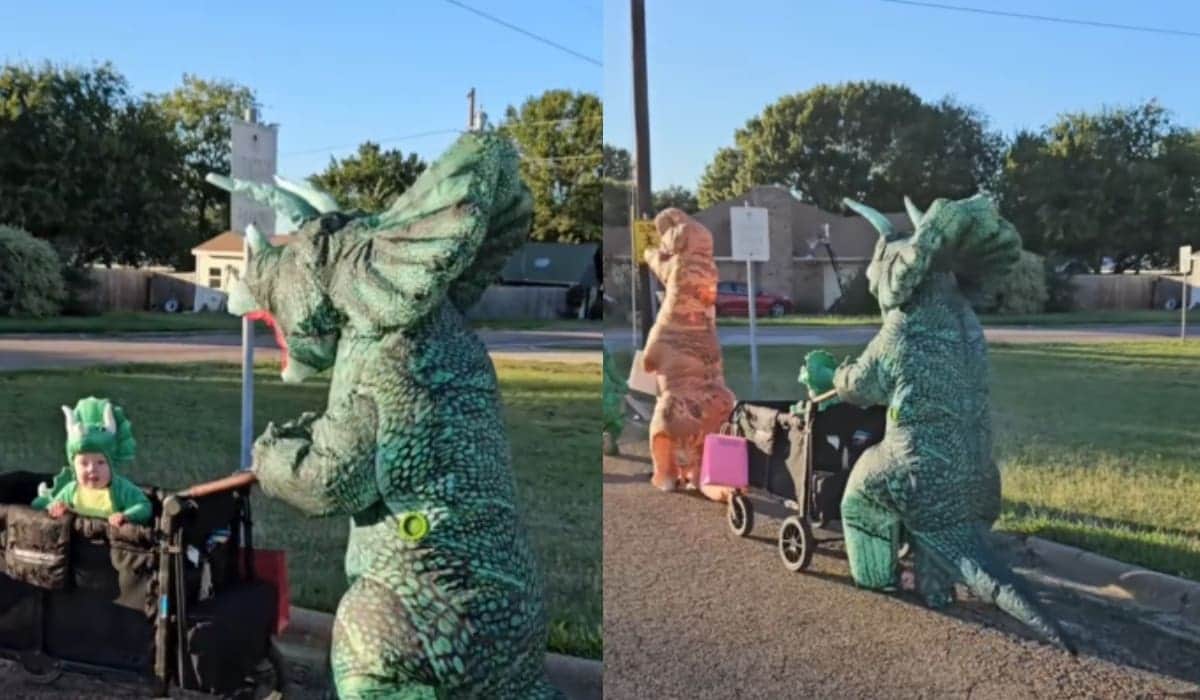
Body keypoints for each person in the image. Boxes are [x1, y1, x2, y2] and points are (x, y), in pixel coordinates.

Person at [34, 397, 151, 526]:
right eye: (84, 463)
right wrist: (56, 507)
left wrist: (126, 516)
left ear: (111, 465)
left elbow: (144, 506)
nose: (91, 469)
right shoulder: (71, 490)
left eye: (100, 463)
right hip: (75, 543)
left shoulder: (120, 489)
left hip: (110, 544)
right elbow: (48, 506)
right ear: (74, 466)